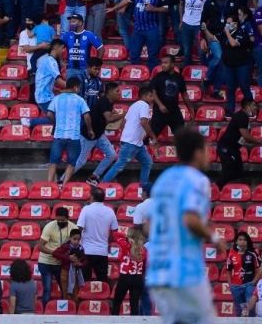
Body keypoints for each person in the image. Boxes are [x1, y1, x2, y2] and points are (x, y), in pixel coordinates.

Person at [147, 128, 226, 324]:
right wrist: (214, 238)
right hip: (184, 272)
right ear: (198, 153)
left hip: (158, 272)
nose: (208, 154)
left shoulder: (163, 180)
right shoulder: (197, 180)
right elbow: (190, 220)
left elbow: (148, 226)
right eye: (206, 150)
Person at [107, 0, 168, 70]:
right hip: (138, 29)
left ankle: (151, 78)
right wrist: (113, 8)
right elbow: (126, 0)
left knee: (153, 56)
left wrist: (154, 8)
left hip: (151, 28)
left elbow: (166, 8)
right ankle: (136, 73)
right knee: (134, 53)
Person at [101, 86, 158, 186]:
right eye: (150, 96)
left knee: (147, 162)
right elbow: (144, 122)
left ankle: (143, 187)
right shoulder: (144, 105)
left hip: (135, 143)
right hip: (131, 143)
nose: (152, 98)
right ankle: (102, 185)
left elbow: (123, 124)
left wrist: (130, 135)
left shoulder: (133, 105)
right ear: (144, 96)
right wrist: (153, 136)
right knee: (119, 165)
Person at [75, 82, 124, 187]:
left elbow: (109, 113)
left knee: (112, 155)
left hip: (99, 135)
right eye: (117, 91)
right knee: (81, 161)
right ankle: (61, 181)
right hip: (89, 135)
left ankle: (94, 177)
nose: (119, 93)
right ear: (110, 92)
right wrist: (122, 115)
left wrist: (116, 114)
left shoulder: (109, 102)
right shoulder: (104, 102)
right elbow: (109, 119)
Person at [46, 77, 93, 186]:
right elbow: (87, 116)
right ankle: (63, 185)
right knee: (71, 163)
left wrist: (56, 122)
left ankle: (48, 186)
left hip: (59, 136)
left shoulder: (57, 98)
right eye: (79, 88)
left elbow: (49, 114)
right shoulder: (80, 100)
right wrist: (90, 129)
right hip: (74, 137)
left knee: (53, 162)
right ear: (76, 87)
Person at [217, 100, 262, 187]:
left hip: (234, 149)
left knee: (238, 171)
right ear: (247, 106)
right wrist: (259, 141)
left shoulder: (243, 116)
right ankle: (214, 189)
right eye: (254, 106)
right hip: (226, 148)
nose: (256, 108)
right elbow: (246, 136)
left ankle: (225, 191)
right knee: (229, 173)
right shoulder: (242, 116)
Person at [77, 187, 118, 282]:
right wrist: (109, 243)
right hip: (102, 251)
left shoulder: (86, 209)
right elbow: (115, 231)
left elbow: (79, 228)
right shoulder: (110, 211)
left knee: (85, 281)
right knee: (102, 281)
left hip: (86, 250)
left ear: (92, 197)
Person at [38, 207, 77, 306]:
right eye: (58, 220)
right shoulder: (49, 227)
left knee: (64, 288)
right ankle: (44, 312)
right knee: (47, 289)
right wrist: (54, 253)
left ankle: (63, 311)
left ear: (68, 218)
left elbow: (77, 244)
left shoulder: (74, 228)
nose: (60, 222)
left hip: (61, 263)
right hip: (45, 262)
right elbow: (40, 246)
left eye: (62, 220)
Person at [150, 54, 194, 139]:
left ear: (173, 64)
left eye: (166, 63)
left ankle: (183, 152)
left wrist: (191, 110)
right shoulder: (158, 76)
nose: (163, 65)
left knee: (182, 137)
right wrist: (160, 105)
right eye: (162, 63)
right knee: (151, 137)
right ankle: (145, 151)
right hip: (159, 112)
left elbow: (184, 95)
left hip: (174, 112)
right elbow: (153, 92)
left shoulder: (179, 77)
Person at [27, 39, 67, 128]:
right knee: (59, 120)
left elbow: (46, 79)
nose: (63, 51)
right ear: (56, 47)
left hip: (45, 95)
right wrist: (72, 88)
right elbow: (58, 80)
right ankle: (31, 122)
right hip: (44, 97)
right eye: (62, 48)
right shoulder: (51, 61)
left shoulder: (47, 60)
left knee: (59, 119)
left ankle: (31, 122)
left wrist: (53, 88)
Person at [220, 14, 254, 115]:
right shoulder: (224, 34)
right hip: (229, 65)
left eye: (230, 23)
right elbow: (215, 39)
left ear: (236, 24)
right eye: (227, 23)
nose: (228, 25)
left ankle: (251, 109)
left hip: (242, 65)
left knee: (244, 86)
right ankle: (230, 110)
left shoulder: (242, 32)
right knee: (230, 88)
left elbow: (233, 43)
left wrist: (227, 33)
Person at [178, 0, 212, 65]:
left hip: (198, 25)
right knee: (186, 51)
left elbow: (210, 11)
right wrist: (181, 20)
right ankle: (186, 72)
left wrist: (206, 25)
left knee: (201, 50)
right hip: (186, 24)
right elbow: (181, 4)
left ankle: (205, 72)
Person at [111, 228, 147, 315]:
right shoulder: (144, 250)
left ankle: (113, 320)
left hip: (125, 277)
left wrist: (126, 237)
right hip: (138, 278)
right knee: (134, 304)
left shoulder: (125, 245)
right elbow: (145, 265)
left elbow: (114, 234)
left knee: (117, 302)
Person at [227, 231, 260, 317]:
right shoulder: (231, 254)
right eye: (240, 239)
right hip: (236, 286)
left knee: (250, 309)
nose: (242, 242)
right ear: (236, 242)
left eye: (245, 240)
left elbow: (259, 270)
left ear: (247, 242)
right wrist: (230, 284)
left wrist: (254, 282)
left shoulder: (253, 254)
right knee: (239, 309)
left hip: (250, 285)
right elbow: (228, 270)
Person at [61, 13, 104, 81]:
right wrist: (61, 61)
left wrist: (96, 63)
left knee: (83, 90)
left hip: (84, 69)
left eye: (74, 21)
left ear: (81, 23)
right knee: (71, 90)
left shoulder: (89, 35)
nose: (71, 24)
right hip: (70, 69)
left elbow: (101, 48)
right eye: (70, 22)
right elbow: (58, 48)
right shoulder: (67, 35)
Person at [51, 228, 87, 301]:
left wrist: (80, 264)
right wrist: (68, 257)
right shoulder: (65, 246)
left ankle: (74, 309)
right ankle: (67, 310)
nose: (76, 241)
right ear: (70, 238)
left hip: (76, 273)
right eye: (74, 239)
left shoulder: (81, 248)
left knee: (75, 293)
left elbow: (85, 260)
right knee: (66, 293)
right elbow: (55, 253)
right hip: (65, 272)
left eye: (78, 239)